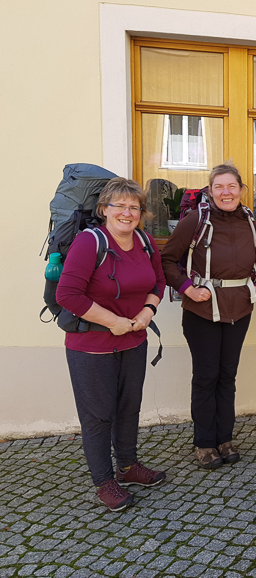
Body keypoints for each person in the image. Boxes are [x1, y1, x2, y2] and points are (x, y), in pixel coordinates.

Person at [57, 177, 167, 512]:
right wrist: (112, 322)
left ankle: (128, 466)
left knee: (128, 408)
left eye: (134, 207)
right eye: (119, 205)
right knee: (98, 416)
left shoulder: (145, 242)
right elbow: (67, 294)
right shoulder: (89, 243)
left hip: (134, 340)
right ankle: (104, 481)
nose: (127, 212)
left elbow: (159, 283)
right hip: (91, 346)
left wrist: (148, 311)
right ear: (104, 209)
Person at [162, 163, 256, 468]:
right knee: (206, 377)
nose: (226, 192)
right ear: (210, 191)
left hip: (240, 310)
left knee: (227, 376)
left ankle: (225, 439)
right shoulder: (196, 220)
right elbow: (167, 260)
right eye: (219, 187)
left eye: (231, 186)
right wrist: (188, 289)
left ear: (241, 190)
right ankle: (204, 443)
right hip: (202, 311)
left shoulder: (251, 222)